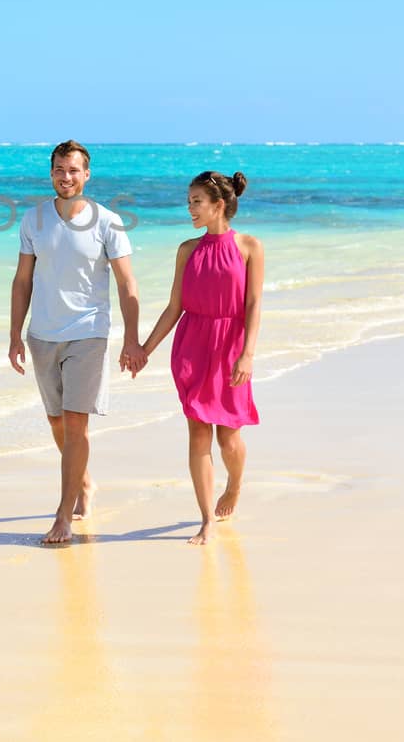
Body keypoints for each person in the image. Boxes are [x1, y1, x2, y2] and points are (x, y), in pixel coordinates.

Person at [8, 140, 145, 545]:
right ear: (51, 173)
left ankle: (63, 514)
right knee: (56, 422)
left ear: (87, 174)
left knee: (75, 422)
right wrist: (15, 334)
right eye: (58, 170)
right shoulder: (33, 220)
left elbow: (126, 283)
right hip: (42, 334)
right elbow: (22, 281)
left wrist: (132, 340)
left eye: (73, 170)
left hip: (88, 332)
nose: (65, 177)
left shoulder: (108, 222)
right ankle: (82, 484)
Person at [140, 170, 264, 546]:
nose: (190, 208)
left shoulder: (249, 247)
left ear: (218, 205)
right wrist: (145, 349)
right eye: (190, 201)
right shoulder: (187, 250)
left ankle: (235, 484)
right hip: (192, 346)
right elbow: (174, 306)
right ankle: (207, 519)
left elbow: (254, 304)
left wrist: (247, 355)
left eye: (196, 201)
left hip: (230, 346)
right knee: (198, 435)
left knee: (229, 438)